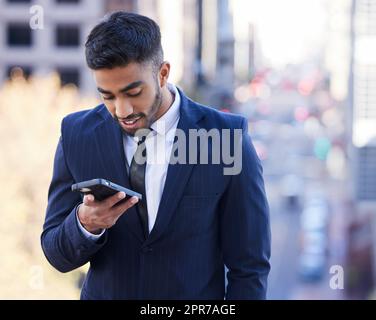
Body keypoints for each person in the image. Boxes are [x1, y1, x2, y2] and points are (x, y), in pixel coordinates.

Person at [41, 11, 271, 300]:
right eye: (108, 96)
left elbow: (249, 268)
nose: (122, 110)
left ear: (163, 74)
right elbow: (55, 252)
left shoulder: (228, 139)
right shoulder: (77, 135)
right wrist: (85, 224)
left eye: (133, 92)